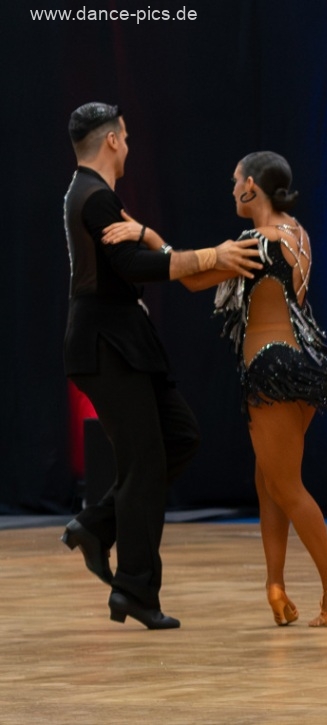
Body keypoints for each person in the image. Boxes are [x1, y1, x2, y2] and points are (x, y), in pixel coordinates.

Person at [59, 102, 262, 629]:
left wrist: (151, 234)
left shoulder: (94, 194)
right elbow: (131, 267)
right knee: (143, 464)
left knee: (179, 438)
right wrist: (213, 256)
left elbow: (133, 258)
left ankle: (96, 525)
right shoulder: (94, 195)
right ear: (111, 140)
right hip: (108, 345)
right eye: (125, 136)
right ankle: (134, 588)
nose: (128, 145)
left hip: (124, 342)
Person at [158, 152, 327, 626]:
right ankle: (275, 586)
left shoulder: (258, 241)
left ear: (251, 186)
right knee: (269, 481)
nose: (232, 189)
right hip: (301, 367)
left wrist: (151, 240)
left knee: (286, 486)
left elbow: (192, 280)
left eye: (235, 181)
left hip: (271, 368)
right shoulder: (296, 232)